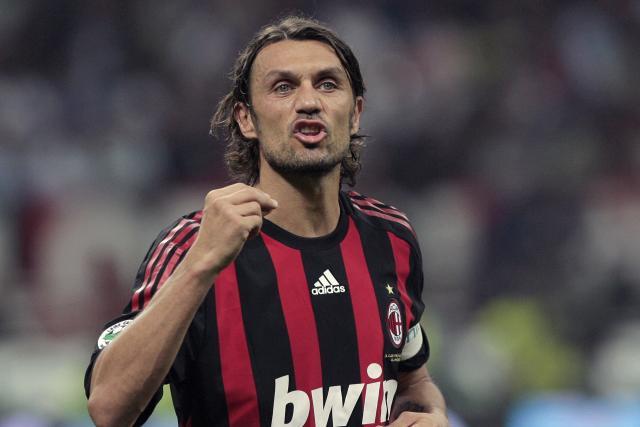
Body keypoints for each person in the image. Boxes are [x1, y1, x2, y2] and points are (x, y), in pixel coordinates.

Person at [85, 15, 449, 427]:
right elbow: (109, 409)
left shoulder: (390, 237)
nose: (309, 102)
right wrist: (200, 266)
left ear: (355, 114)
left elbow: (413, 380)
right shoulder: (194, 246)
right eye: (283, 87)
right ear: (246, 119)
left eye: (327, 84)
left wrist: (432, 413)